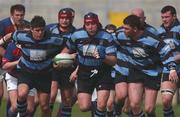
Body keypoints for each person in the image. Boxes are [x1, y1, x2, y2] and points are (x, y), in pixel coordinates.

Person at [2, 16, 68, 117]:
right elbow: (9, 36)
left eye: (42, 30)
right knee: (22, 94)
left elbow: (69, 45)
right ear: (31, 29)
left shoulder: (54, 38)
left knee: (45, 106)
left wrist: (62, 56)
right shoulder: (21, 36)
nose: (40, 33)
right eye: (37, 30)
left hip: (44, 74)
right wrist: (1, 41)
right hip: (26, 71)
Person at [115, 15, 178, 117]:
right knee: (134, 105)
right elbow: (108, 40)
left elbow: (166, 53)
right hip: (135, 70)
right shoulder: (121, 35)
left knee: (149, 109)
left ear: (135, 29)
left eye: (126, 28)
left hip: (152, 73)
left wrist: (172, 69)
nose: (123, 30)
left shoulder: (152, 39)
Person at [64, 12, 117, 117]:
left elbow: (113, 60)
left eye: (93, 24)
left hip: (102, 72)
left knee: (102, 105)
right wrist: (60, 59)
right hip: (84, 73)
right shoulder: (77, 35)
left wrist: (102, 57)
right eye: (87, 24)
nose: (90, 27)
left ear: (97, 24)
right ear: (84, 25)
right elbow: (67, 50)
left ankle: (99, 107)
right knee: (84, 107)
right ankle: (95, 105)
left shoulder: (107, 37)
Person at [113, 8, 158, 117]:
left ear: (144, 19)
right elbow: (109, 43)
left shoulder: (152, 33)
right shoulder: (121, 32)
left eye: (138, 18)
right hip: (125, 69)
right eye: (133, 17)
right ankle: (115, 113)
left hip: (145, 70)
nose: (135, 20)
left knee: (146, 108)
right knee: (123, 98)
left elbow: (160, 51)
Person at [48, 8, 77, 117]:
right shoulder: (49, 30)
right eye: (62, 18)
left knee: (67, 99)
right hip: (51, 67)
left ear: (71, 19)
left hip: (68, 69)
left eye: (67, 18)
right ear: (58, 18)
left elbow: (79, 51)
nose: (64, 20)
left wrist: (72, 56)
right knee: (51, 96)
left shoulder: (75, 33)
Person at [0, 4, 27, 115]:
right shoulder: (3, 24)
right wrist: (8, 56)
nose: (20, 17)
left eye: (22, 15)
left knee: (15, 98)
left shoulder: (27, 25)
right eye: (17, 15)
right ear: (12, 14)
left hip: (15, 64)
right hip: (2, 62)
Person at [157, 5, 180, 117]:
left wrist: (176, 57)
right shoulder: (158, 31)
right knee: (166, 101)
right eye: (162, 17)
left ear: (174, 16)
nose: (164, 19)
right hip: (168, 69)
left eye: (167, 17)